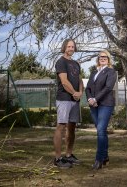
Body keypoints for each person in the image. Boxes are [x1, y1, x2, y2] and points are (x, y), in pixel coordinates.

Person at [53, 38, 83, 168]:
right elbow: (64, 82)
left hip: (75, 99)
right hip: (64, 98)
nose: (71, 48)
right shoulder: (61, 62)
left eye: (73, 47)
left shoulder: (76, 63)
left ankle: (69, 155)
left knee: (72, 128)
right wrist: (74, 93)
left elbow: (80, 80)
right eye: (69, 46)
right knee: (61, 126)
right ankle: (58, 158)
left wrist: (80, 92)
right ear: (64, 47)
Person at [85, 49, 117, 170]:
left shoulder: (111, 71)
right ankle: (105, 157)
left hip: (105, 104)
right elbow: (87, 88)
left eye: (105, 57)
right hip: (93, 105)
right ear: (98, 59)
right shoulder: (94, 72)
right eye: (100, 57)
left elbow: (108, 88)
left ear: (108, 59)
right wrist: (89, 100)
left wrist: (96, 99)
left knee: (100, 130)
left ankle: (98, 160)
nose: (102, 58)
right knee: (101, 131)